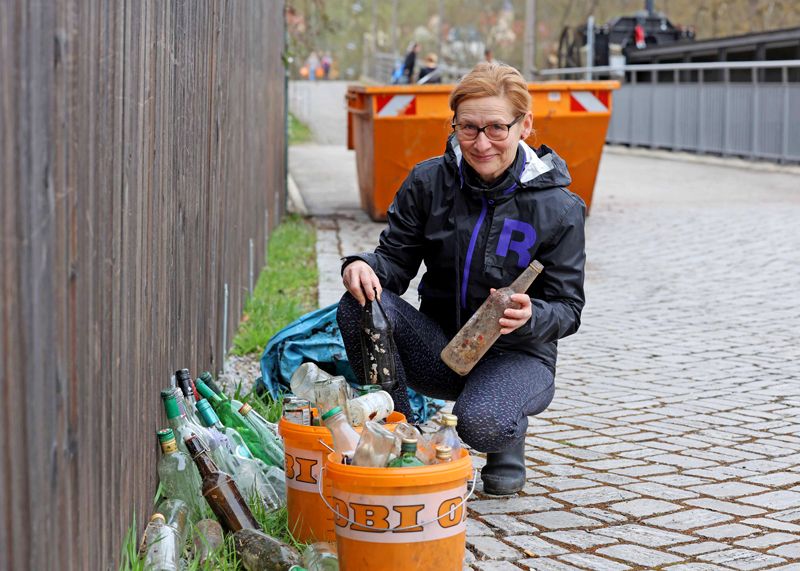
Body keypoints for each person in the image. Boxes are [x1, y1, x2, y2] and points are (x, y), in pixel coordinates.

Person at [337, 62, 586, 495]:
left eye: (496, 128)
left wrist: (532, 315)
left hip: (518, 358)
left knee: (482, 423)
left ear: (525, 125)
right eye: (468, 128)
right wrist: (362, 266)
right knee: (360, 303)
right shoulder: (428, 182)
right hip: (442, 348)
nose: (481, 142)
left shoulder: (560, 208)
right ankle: (400, 436)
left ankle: (506, 437)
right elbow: (394, 262)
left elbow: (569, 309)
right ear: (453, 125)